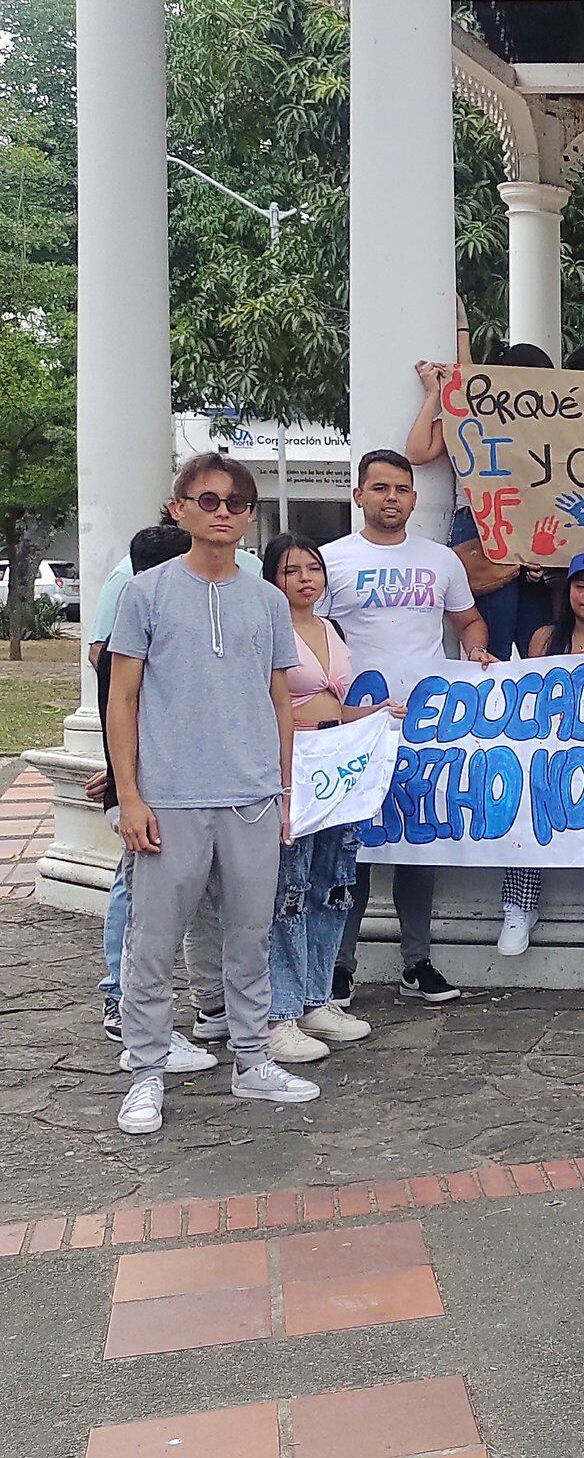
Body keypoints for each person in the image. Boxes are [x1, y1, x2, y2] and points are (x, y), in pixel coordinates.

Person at [106, 454, 315, 1135]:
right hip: (171, 796)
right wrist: (129, 795)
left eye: (234, 502)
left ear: (250, 515)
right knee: (153, 939)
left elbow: (279, 696)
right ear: (180, 508)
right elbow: (124, 696)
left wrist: (284, 790)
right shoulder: (148, 593)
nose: (222, 511)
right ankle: (144, 1070)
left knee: (250, 936)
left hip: (253, 795)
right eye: (208, 499)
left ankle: (251, 1060)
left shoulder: (268, 599)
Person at [323, 448, 493, 1007]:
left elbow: (466, 620)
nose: (391, 497)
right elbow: (308, 632)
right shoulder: (330, 561)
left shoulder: (441, 560)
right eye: (380, 488)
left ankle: (417, 963)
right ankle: (338, 966)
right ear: (359, 496)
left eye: (401, 488)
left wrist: (477, 650)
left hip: (427, 722)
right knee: (353, 847)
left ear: (414, 498)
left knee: (418, 846)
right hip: (356, 724)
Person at [89, 510, 252, 1047]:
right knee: (140, 906)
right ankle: (125, 1008)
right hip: (151, 796)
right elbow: (124, 714)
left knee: (204, 908)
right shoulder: (129, 644)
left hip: (202, 791)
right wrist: (123, 788)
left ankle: (211, 1007)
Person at [261, 534, 388, 1063]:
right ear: (273, 577)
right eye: (292, 571)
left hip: (338, 766)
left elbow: (334, 705)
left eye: (313, 568)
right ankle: (279, 1011)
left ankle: (317, 998)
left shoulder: (331, 628)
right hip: (293, 765)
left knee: (333, 881)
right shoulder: (269, 629)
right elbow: (271, 705)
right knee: (289, 887)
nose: (306, 579)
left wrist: (379, 715)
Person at [496, 550, 584, 962]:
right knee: (526, 806)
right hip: (549, 751)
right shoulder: (543, 638)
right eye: (581, 585)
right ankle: (519, 904)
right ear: (567, 590)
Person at [407, 353, 551, 662]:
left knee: (541, 647)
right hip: (481, 528)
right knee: (489, 648)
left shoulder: (555, 424)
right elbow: (417, 451)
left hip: (535, 528)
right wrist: (435, 394)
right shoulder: (471, 416)